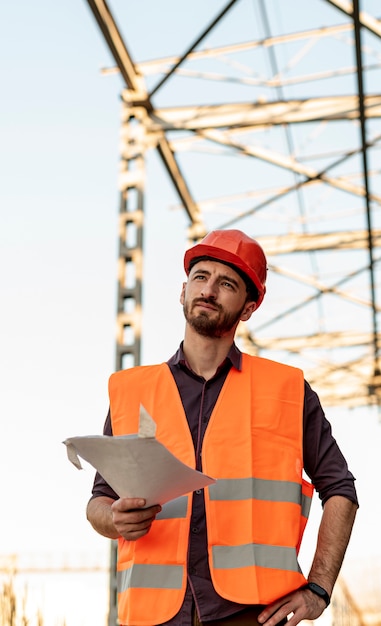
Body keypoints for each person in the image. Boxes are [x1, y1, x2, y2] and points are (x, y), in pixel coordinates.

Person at [87, 229, 358, 626]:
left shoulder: (286, 391)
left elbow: (340, 490)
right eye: (200, 277)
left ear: (248, 308)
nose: (209, 290)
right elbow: (98, 502)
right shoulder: (132, 392)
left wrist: (318, 588)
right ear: (183, 292)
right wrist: (115, 519)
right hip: (152, 616)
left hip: (251, 613)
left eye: (226, 283)